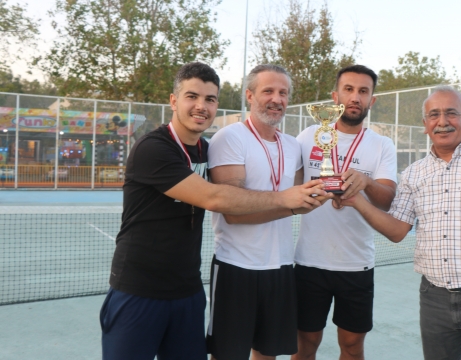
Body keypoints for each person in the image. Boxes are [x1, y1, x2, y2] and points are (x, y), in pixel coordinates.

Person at [100, 62, 328, 360]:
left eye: (209, 99)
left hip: (188, 292)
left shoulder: (204, 149)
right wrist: (287, 200)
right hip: (138, 290)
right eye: (192, 96)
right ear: (173, 101)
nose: (201, 106)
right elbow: (217, 198)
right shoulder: (153, 148)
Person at [340, 85, 461, 360]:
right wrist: (357, 201)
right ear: (425, 124)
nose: (442, 122)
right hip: (433, 298)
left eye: (451, 113)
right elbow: (397, 231)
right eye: (434, 115)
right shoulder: (412, 174)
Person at [205, 64, 331, 360]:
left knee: (267, 354)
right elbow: (233, 211)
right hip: (236, 266)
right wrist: (289, 201)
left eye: (283, 93)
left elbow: (299, 202)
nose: (277, 99)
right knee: (228, 355)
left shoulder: (292, 145)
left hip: (281, 267)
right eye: (268, 91)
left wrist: (327, 191)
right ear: (249, 95)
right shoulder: (230, 137)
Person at [292, 65, 397, 360]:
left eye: (363, 91)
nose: (355, 97)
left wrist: (365, 182)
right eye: (348, 90)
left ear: (371, 100)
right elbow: (290, 188)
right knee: (305, 342)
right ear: (335, 96)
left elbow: (387, 200)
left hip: (356, 264)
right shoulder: (309, 135)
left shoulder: (381, 145)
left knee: (351, 346)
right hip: (309, 261)